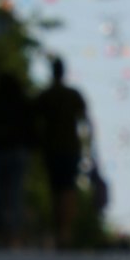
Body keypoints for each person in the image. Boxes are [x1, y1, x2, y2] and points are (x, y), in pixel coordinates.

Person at [35, 56, 90, 248]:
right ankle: (64, 231)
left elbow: (35, 122)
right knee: (67, 189)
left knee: (56, 190)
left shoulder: (46, 95)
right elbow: (86, 122)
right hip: (69, 148)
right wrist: (89, 149)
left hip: (52, 148)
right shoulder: (72, 95)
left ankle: (61, 230)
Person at [0, 70, 36, 246]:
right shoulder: (22, 102)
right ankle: (13, 234)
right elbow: (31, 128)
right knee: (15, 193)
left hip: (0, 151)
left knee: (2, 194)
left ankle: (3, 234)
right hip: (17, 152)